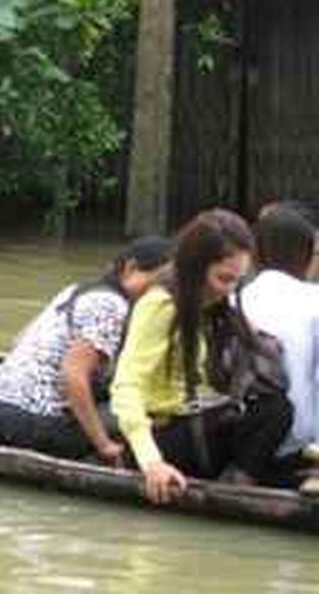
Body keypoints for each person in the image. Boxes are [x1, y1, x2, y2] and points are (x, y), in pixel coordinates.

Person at [111, 209, 294, 504]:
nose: (229, 290)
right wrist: (152, 463)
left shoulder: (213, 305)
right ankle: (234, 495)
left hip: (196, 425)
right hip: (162, 437)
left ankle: (238, 482)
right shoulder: (161, 305)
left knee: (275, 408)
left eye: (237, 281)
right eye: (224, 279)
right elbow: (126, 386)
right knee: (273, 414)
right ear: (196, 266)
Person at [0, 236, 172, 463]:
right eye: (158, 283)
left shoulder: (78, 289)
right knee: (142, 408)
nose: (159, 294)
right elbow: (73, 374)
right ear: (131, 268)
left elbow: (19, 341)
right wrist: (103, 444)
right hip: (31, 423)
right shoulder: (111, 306)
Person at [241, 206, 319, 479]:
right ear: (309, 256)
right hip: (299, 449)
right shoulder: (314, 299)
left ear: (254, 254)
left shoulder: (234, 298)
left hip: (243, 443)